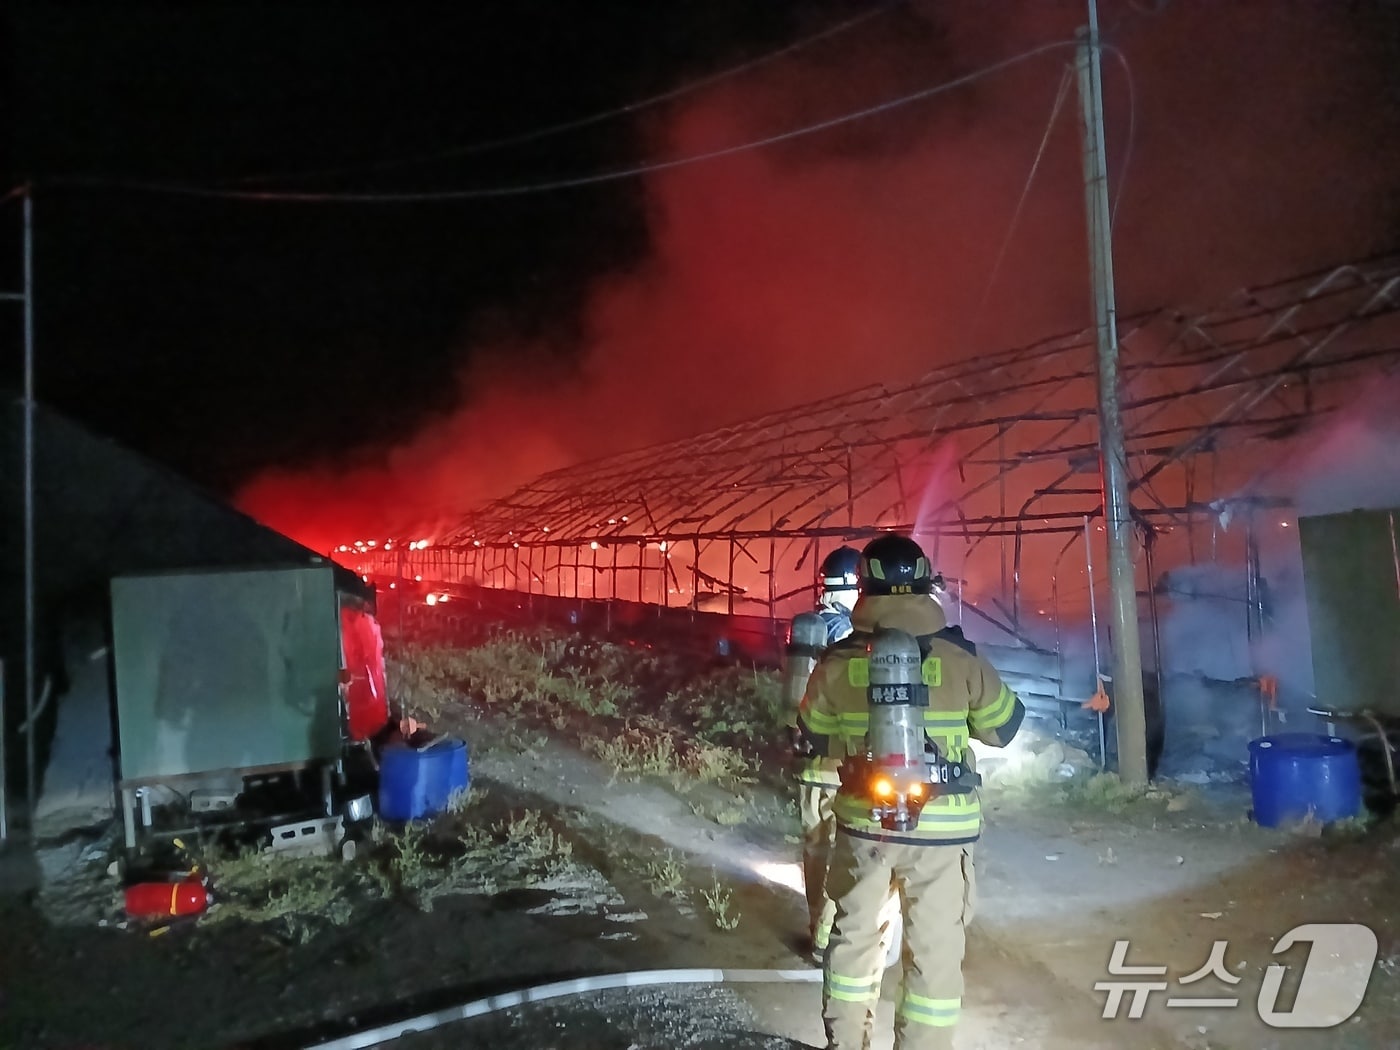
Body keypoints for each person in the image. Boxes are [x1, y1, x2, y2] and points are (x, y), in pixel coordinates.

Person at [799, 534, 1025, 1050]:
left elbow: (810, 734)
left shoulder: (839, 662)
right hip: (944, 834)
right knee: (934, 957)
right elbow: (1004, 726)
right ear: (927, 586)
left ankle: (846, 1043)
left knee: (854, 944)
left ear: (865, 588)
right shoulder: (960, 657)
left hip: (864, 826)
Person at [786, 546, 860, 955]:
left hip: (807, 762)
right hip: (837, 762)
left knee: (815, 850)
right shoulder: (847, 635)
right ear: (850, 586)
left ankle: (817, 926)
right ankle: (830, 938)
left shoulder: (810, 628)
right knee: (840, 851)